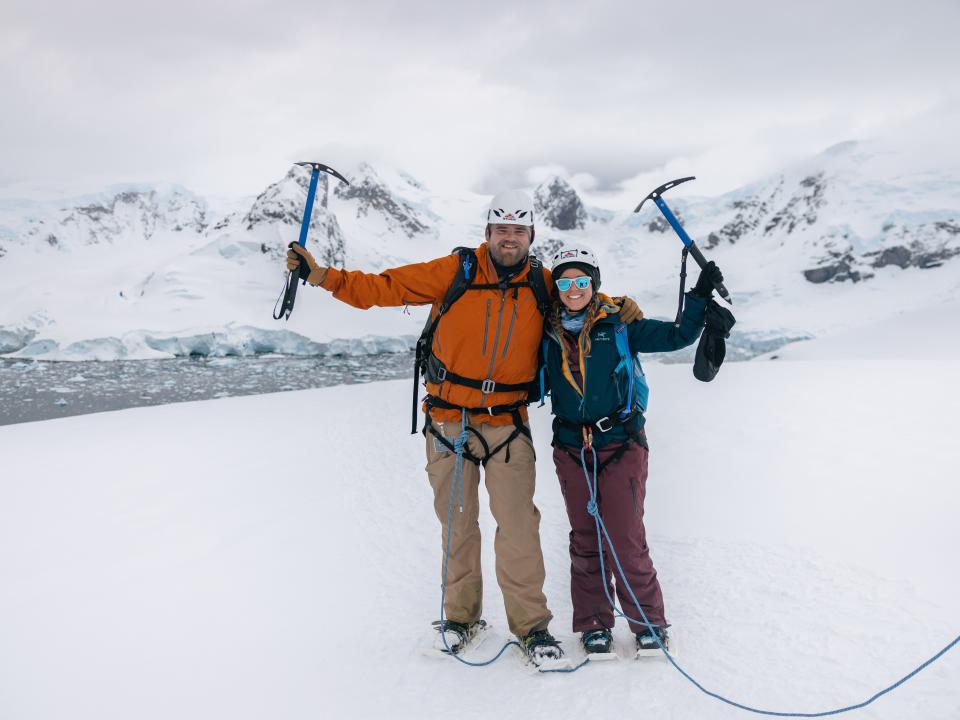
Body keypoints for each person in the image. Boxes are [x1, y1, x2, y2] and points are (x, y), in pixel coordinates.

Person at [284, 191, 643, 665]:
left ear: (530, 236)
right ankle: (461, 619)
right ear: (488, 234)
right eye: (501, 231)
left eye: (518, 232)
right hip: (448, 420)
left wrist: (621, 306)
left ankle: (533, 629)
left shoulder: (541, 283)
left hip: (507, 424)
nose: (509, 239)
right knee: (458, 527)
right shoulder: (457, 271)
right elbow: (383, 288)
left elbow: (585, 301)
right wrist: (323, 275)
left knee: (518, 530)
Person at [540, 244, 722, 656]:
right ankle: (593, 624)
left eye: (581, 280)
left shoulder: (620, 323)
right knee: (585, 538)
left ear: (594, 283)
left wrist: (698, 297)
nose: (573, 289)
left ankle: (648, 623)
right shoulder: (545, 330)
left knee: (624, 536)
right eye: (565, 282)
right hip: (571, 447)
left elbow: (678, 335)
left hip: (621, 443)